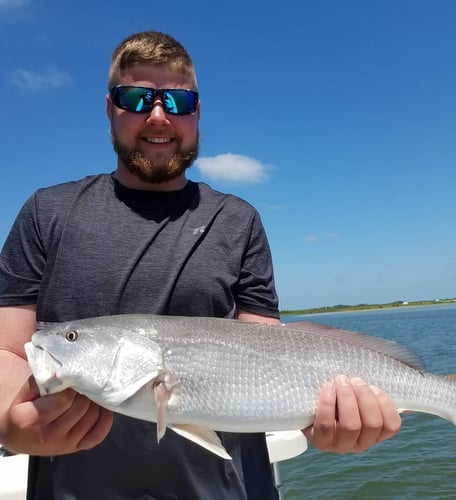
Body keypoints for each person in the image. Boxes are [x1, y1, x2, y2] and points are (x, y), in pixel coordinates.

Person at [0, 31, 401, 499]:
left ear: (196, 111)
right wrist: (10, 422)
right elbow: (11, 349)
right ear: (110, 107)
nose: (158, 115)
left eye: (177, 100)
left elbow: (269, 355)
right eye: (136, 97)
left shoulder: (238, 220)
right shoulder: (47, 212)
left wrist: (326, 420)